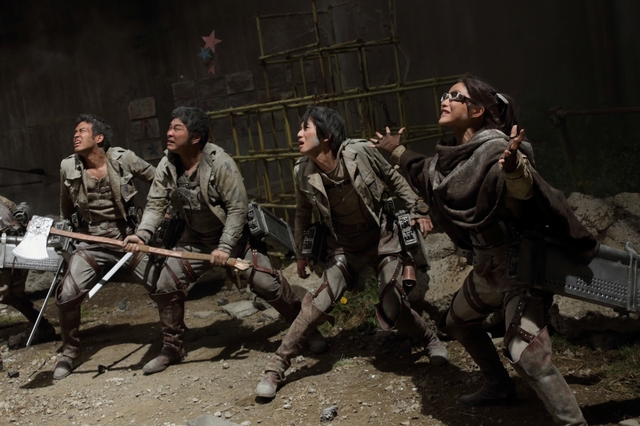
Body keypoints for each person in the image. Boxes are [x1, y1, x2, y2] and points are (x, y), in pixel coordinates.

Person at [371, 75, 598, 425]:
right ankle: (498, 386)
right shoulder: (448, 160)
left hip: (520, 266)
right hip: (486, 266)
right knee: (456, 323)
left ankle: (574, 423)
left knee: (526, 352)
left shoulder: (498, 150)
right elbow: (422, 172)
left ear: (477, 110)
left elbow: (525, 191)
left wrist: (514, 169)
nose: (445, 99)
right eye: (445, 94)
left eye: (455, 96)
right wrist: (395, 150)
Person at [255, 105, 449, 399]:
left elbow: (393, 177)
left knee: (393, 304)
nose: (298, 134)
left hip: (382, 239)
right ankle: (275, 367)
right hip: (343, 247)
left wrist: (418, 209)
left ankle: (430, 339)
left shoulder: (359, 153)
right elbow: (302, 213)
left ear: (327, 136)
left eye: (306, 128)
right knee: (316, 304)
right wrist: (301, 254)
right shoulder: (302, 171)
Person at [123, 106, 327, 376]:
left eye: (177, 129)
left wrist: (225, 247)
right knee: (165, 284)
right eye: (169, 128)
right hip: (195, 239)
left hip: (236, 238)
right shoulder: (167, 165)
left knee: (266, 282)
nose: (169, 133)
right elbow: (155, 204)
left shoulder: (221, 163)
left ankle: (305, 331)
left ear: (196, 137)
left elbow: (237, 209)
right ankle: (172, 348)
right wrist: (142, 234)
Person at [54, 114, 156, 380]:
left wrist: (158, 215)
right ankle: (70, 351)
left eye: (82, 131)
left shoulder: (124, 158)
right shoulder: (68, 166)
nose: (75, 135)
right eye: (74, 132)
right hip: (90, 242)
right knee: (67, 295)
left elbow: (159, 182)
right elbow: (66, 208)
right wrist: (67, 233)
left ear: (98, 138)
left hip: (127, 238)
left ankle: (173, 341)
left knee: (164, 284)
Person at [0, 196, 56, 350]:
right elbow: (18, 209)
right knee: (13, 297)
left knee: (10, 295)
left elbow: (20, 210)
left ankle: (44, 328)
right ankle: (44, 328)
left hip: (10, 255)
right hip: (14, 252)